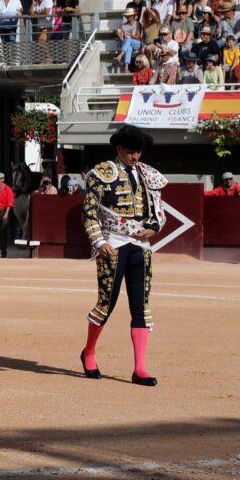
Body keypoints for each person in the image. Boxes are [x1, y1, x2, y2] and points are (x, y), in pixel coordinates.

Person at [80, 124, 167, 387]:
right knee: (106, 303)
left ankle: (139, 368)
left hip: (140, 247)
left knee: (141, 307)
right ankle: (90, 352)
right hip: (113, 244)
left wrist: (154, 227)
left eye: (138, 152)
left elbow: (157, 211)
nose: (135, 157)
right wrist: (98, 241)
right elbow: (89, 211)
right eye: (130, 152)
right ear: (119, 148)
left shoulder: (147, 174)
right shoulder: (101, 173)